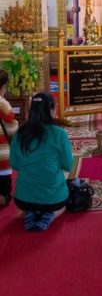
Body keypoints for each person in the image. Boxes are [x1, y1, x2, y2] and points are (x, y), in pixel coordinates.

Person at [10, 93, 73, 231]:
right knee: (64, 204)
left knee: (33, 200)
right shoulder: (59, 133)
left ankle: (31, 212)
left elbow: (14, 164)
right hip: (53, 200)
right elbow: (68, 165)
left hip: (22, 200)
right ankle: (49, 216)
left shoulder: (20, 133)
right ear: (51, 111)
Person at [0, 70, 19, 206]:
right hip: (1, 154)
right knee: (4, 192)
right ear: (3, 87)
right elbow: (12, 129)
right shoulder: (3, 104)